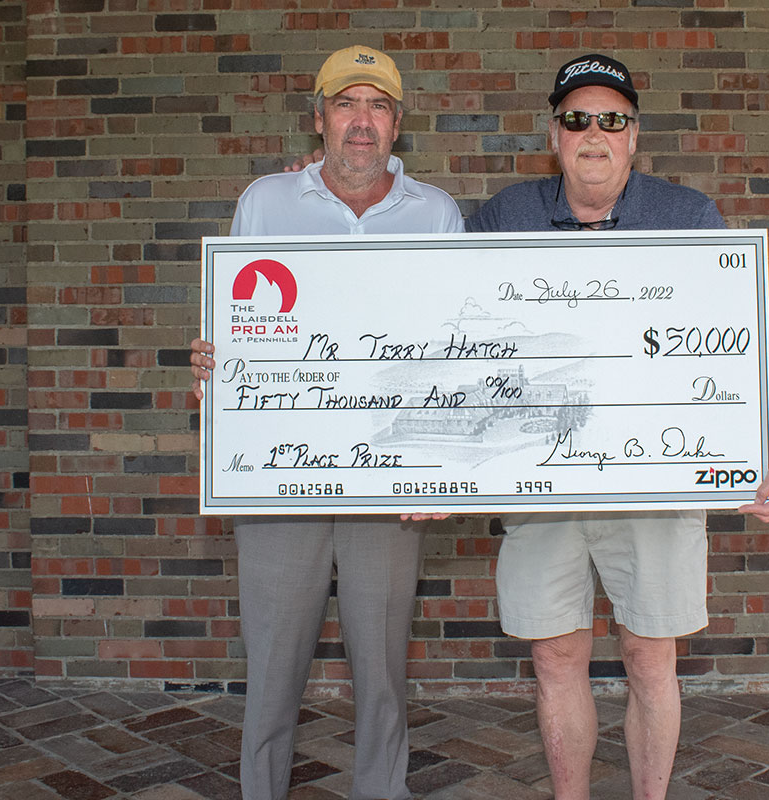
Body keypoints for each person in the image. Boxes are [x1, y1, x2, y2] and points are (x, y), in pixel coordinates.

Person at [466, 54, 769, 800]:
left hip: (656, 477)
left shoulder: (686, 216)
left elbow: (746, 332)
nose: (594, 133)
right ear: (553, 133)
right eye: (577, 119)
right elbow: (446, 337)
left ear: (634, 136)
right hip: (541, 478)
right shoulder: (504, 216)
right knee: (556, 659)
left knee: (650, 659)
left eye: (612, 119)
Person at [188, 45, 463, 800]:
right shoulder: (265, 202)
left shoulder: (436, 214)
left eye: (378, 106)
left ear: (398, 124)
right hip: (282, 479)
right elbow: (237, 333)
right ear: (320, 118)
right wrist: (215, 368)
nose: (362, 122)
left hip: (389, 480)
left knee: (382, 670)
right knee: (274, 667)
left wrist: (444, 464)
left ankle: (383, 791)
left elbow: (455, 352)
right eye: (348, 104)